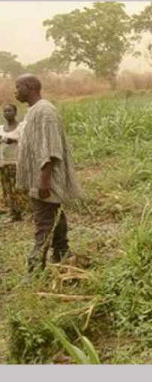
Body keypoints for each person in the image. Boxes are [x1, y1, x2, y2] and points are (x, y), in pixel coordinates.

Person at [14, 74, 83, 272]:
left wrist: (44, 181)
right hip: (39, 176)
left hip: (45, 178)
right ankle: (62, 252)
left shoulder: (46, 111)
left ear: (31, 87)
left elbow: (51, 149)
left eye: (18, 87)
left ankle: (35, 268)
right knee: (54, 213)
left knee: (43, 222)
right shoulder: (33, 111)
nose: (15, 91)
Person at [0, 104, 28, 222]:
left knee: (18, 188)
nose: (7, 113)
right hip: (3, 162)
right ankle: (14, 213)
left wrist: (13, 140)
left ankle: (25, 212)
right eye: (5, 111)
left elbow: (26, 142)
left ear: (15, 112)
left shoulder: (21, 127)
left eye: (10, 110)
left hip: (16, 162)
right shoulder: (1, 128)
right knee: (7, 189)